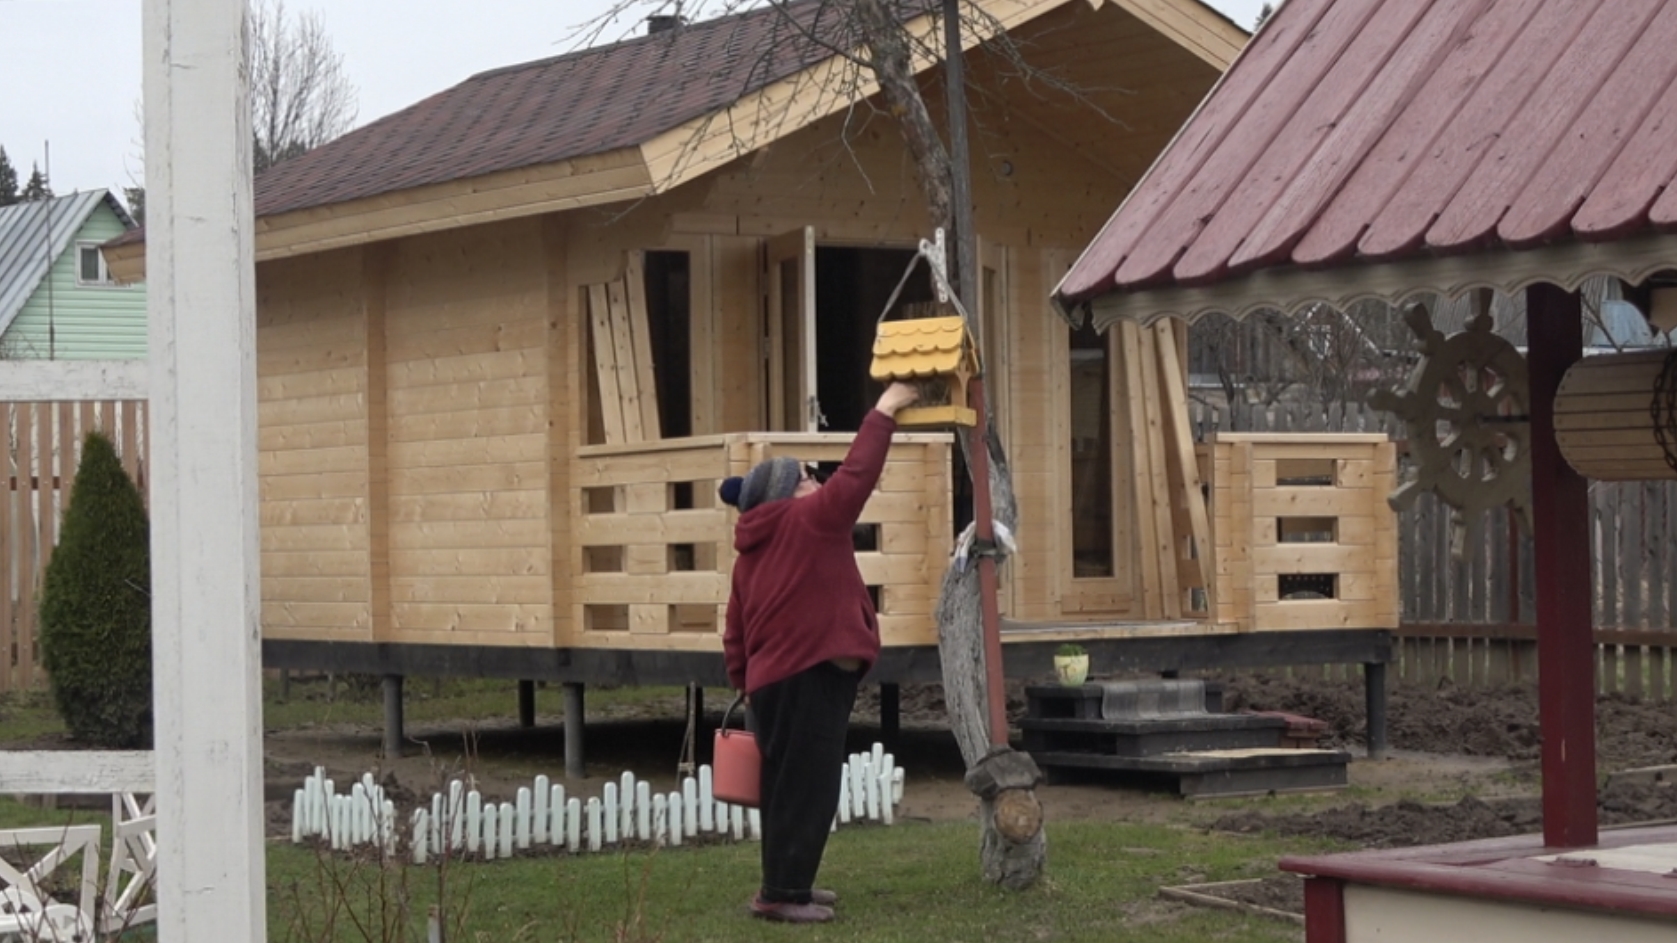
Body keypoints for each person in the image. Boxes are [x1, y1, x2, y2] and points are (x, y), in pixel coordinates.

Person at [719, 380, 920, 924]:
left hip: (772, 682)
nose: (819, 482)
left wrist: (743, 681)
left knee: (786, 786)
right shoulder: (808, 521)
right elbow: (857, 476)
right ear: (789, 492)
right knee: (809, 788)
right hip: (807, 675)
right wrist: (884, 411)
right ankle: (783, 894)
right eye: (809, 477)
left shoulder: (752, 552)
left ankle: (787, 883)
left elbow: (734, 630)